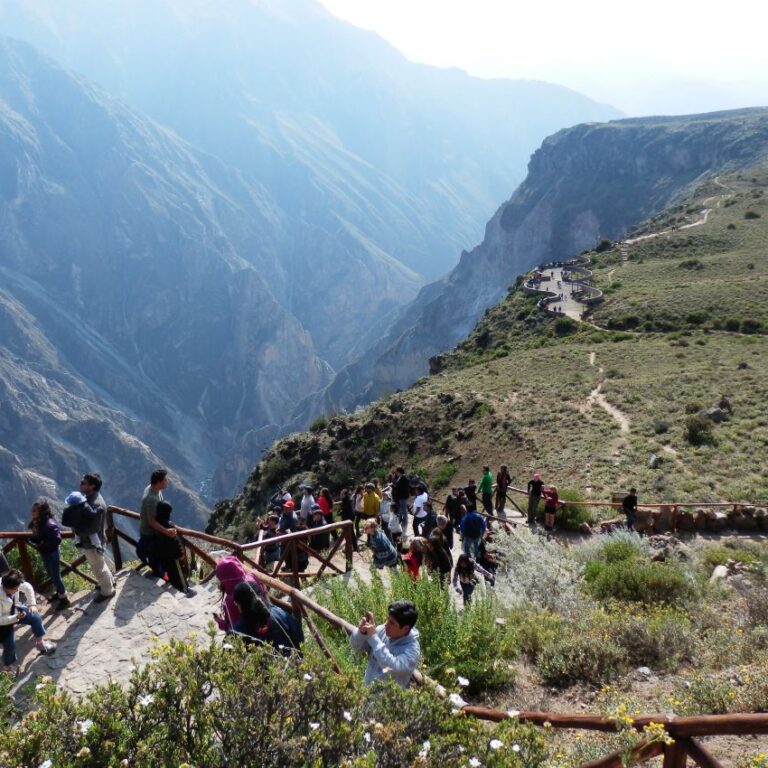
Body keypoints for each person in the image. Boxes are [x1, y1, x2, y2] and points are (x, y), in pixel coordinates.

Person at [349, 600, 420, 689]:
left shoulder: (412, 651)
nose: (386, 624)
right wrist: (361, 632)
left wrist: (374, 638)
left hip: (387, 701)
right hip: (365, 695)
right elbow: (355, 647)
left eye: (392, 623)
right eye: (387, 619)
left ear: (405, 628)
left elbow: (392, 667)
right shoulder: (382, 631)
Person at [0, 569, 56, 673]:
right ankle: (7, 668)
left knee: (35, 617)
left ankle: (40, 643)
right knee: (10, 646)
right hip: (3, 621)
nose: (17, 590)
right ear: (6, 587)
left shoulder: (12, 583)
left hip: (15, 610)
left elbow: (28, 587)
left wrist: (32, 604)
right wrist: (16, 618)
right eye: (15, 589)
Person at [231, 582, 303, 654]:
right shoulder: (280, 614)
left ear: (239, 605)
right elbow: (299, 638)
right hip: (292, 661)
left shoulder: (236, 633)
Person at [75, 473, 115, 602]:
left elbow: (92, 529)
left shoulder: (94, 504)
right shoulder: (94, 498)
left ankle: (107, 591)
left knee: (98, 567)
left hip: (92, 543)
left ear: (92, 486)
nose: (80, 484)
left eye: (83, 483)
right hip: (98, 539)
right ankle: (109, 582)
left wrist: (77, 528)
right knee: (100, 563)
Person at [28, 499, 69, 610]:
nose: (32, 512)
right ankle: (59, 593)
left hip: (51, 553)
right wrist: (35, 540)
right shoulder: (40, 522)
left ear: (41, 511)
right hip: (46, 552)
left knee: (56, 576)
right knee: (52, 575)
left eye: (34, 510)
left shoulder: (49, 524)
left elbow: (57, 540)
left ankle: (64, 599)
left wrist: (42, 545)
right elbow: (43, 536)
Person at [213, 556, 268, 632]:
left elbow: (234, 630)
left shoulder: (231, 600)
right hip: (267, 620)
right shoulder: (252, 577)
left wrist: (220, 622)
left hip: (252, 633)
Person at [137, 468, 175, 577]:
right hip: (149, 532)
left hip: (152, 530)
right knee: (151, 555)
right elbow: (151, 521)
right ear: (159, 482)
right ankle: (160, 576)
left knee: (155, 554)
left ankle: (160, 574)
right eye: (165, 480)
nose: (167, 481)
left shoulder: (155, 489)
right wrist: (167, 531)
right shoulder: (152, 498)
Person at [153, 501, 195, 596]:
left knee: (171, 572)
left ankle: (175, 586)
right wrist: (180, 554)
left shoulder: (157, 524)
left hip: (163, 554)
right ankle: (185, 590)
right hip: (173, 556)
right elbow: (174, 542)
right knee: (178, 572)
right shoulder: (168, 527)